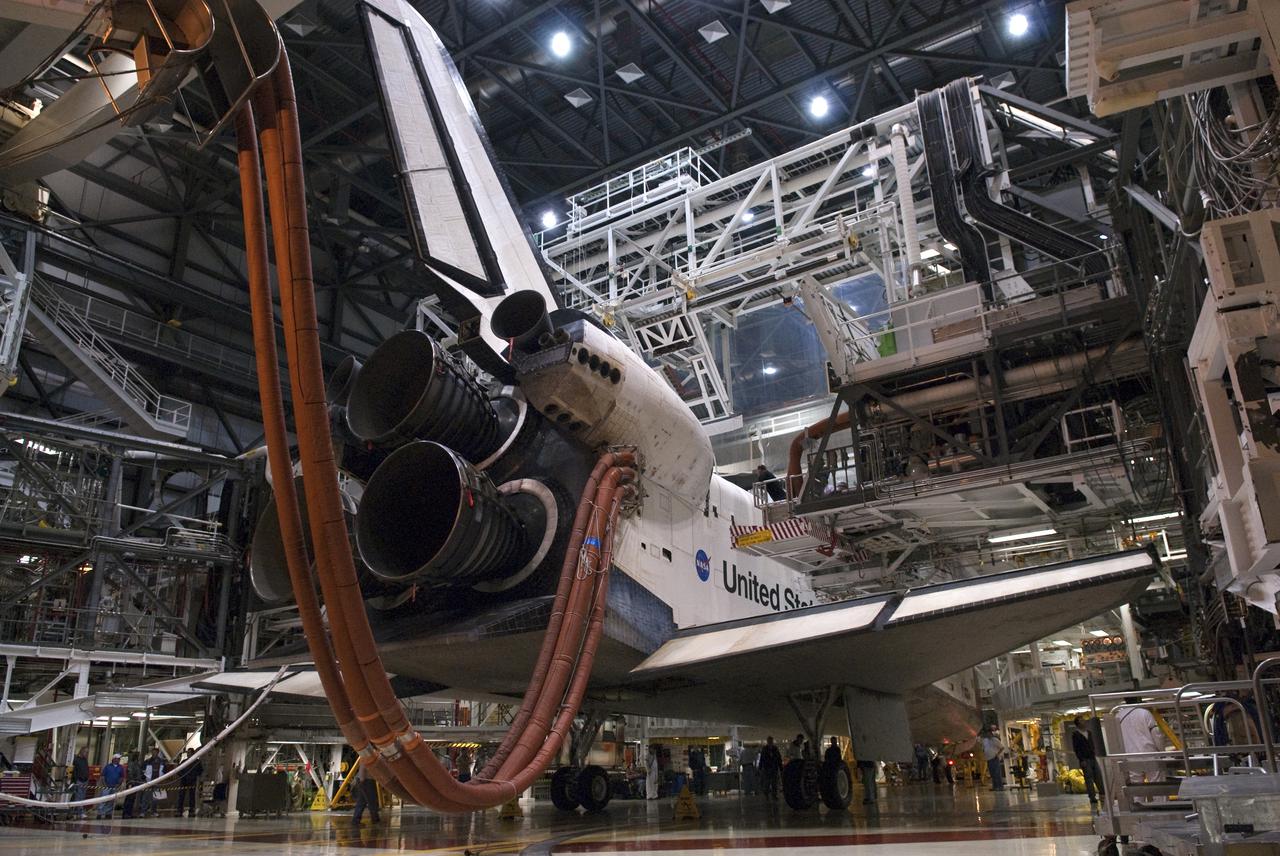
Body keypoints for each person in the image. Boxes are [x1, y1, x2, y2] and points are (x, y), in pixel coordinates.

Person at [1117, 698, 1165, 782]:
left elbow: (1116, 738)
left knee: (1136, 785)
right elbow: (1156, 733)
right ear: (1138, 699)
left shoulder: (1118, 716)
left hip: (1130, 756)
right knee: (1156, 783)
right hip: (1149, 754)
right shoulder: (1144, 713)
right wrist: (1162, 751)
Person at [1071, 716, 1104, 806]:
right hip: (1085, 759)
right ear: (1078, 723)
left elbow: (1092, 744)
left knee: (1098, 776)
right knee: (1089, 779)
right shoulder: (1076, 734)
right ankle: (1092, 797)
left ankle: (1102, 794)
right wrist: (1081, 759)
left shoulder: (1089, 733)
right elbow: (1076, 749)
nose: (1084, 721)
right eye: (1081, 720)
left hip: (1092, 757)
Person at [176, 748, 204, 818]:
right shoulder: (184, 762)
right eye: (187, 753)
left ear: (192, 753)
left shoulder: (197, 762)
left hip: (192, 781)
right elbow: (179, 770)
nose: (188, 754)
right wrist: (182, 775)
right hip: (184, 780)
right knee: (181, 796)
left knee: (192, 796)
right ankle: (179, 810)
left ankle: (191, 811)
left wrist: (194, 775)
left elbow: (200, 771)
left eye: (189, 752)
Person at [138, 747, 164, 817]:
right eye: (153, 752)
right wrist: (144, 778)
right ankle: (143, 811)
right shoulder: (147, 761)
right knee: (145, 797)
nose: (154, 753)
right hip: (148, 781)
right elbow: (142, 770)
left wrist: (161, 779)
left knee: (155, 798)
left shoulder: (161, 762)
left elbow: (164, 771)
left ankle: (154, 811)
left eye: (155, 752)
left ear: (158, 753)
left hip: (157, 782)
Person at [980, 726, 1007, 791]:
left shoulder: (995, 740)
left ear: (991, 733)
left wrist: (997, 754)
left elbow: (1002, 747)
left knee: (997, 773)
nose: (987, 734)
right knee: (992, 774)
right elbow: (983, 748)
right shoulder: (985, 740)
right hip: (988, 759)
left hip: (994, 758)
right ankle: (995, 787)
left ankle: (1000, 787)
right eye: (986, 733)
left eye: (988, 733)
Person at [98, 754, 125, 819]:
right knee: (103, 799)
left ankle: (108, 813)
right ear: (114, 759)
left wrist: (118, 784)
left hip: (114, 787)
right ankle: (100, 813)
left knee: (111, 801)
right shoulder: (107, 767)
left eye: (119, 759)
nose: (118, 760)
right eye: (117, 758)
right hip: (106, 787)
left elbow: (121, 777)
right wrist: (104, 785)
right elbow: (103, 776)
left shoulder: (121, 767)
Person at [758, 736, 783, 800]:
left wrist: (780, 767)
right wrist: (760, 767)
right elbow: (762, 759)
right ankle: (767, 794)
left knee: (774, 782)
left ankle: (774, 794)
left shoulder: (775, 749)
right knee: (767, 782)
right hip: (767, 768)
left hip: (774, 767)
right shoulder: (765, 749)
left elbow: (779, 758)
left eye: (771, 741)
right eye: (769, 741)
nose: (770, 742)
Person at [122, 752, 143, 818]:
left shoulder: (137, 765)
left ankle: (129, 813)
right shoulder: (131, 764)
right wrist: (131, 783)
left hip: (136, 783)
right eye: (139, 756)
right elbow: (130, 774)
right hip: (131, 783)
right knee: (129, 798)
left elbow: (140, 774)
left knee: (133, 799)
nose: (140, 757)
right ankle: (126, 813)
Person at [71, 747, 90, 818]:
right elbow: (74, 771)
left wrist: (87, 778)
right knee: (78, 797)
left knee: (82, 797)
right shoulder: (76, 760)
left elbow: (86, 769)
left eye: (88, 752)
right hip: (79, 781)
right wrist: (75, 780)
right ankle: (79, 812)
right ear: (81, 751)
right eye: (86, 752)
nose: (87, 754)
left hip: (85, 780)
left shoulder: (85, 760)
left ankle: (78, 812)